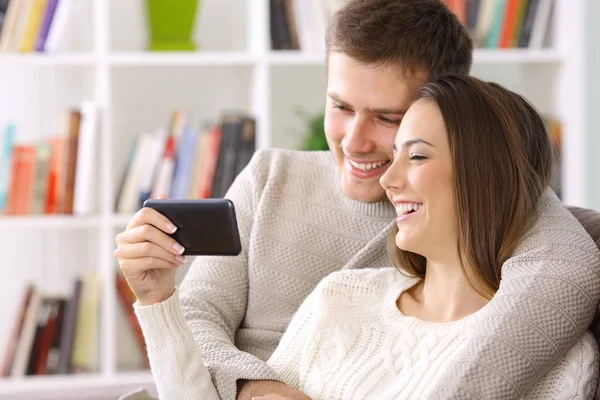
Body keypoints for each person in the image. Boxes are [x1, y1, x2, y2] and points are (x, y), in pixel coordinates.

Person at [114, 1, 600, 399]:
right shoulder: (274, 183)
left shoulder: (501, 204)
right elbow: (196, 315)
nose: (354, 141)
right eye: (340, 107)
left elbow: (573, 269)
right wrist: (256, 388)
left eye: (388, 118)